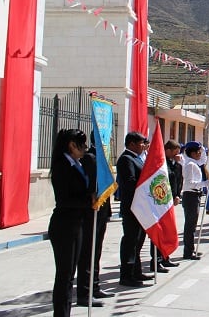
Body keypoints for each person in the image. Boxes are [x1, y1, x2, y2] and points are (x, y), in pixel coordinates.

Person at [48, 128, 94, 316]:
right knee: (64, 275)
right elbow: (65, 199)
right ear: (71, 145)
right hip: (64, 225)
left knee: (70, 274)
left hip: (77, 223)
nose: (84, 148)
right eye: (81, 145)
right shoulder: (62, 166)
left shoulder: (78, 163)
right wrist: (87, 201)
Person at [75, 133, 114, 306]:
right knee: (88, 252)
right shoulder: (90, 158)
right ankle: (85, 292)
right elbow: (92, 185)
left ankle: (95, 286)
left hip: (102, 211)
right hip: (91, 212)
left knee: (96, 251)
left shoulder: (101, 157)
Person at [117, 131, 152, 287]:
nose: (144, 146)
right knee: (130, 241)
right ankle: (126, 275)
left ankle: (136, 272)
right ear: (131, 144)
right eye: (141, 143)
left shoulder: (138, 159)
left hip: (141, 207)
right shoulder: (126, 159)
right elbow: (130, 182)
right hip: (132, 206)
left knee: (138, 241)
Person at [152, 140, 183, 272]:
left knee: (167, 230)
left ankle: (165, 256)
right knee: (159, 232)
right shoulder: (160, 162)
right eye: (174, 153)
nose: (176, 155)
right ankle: (156, 260)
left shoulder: (173, 163)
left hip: (170, 200)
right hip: (160, 201)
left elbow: (177, 179)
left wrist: (177, 195)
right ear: (167, 150)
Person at [181, 141, 205, 260]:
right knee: (190, 226)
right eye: (198, 151)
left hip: (195, 195)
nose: (200, 153)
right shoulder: (190, 164)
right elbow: (190, 183)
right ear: (193, 153)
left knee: (192, 225)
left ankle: (191, 249)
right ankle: (188, 252)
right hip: (190, 195)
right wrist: (204, 184)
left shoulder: (194, 163)